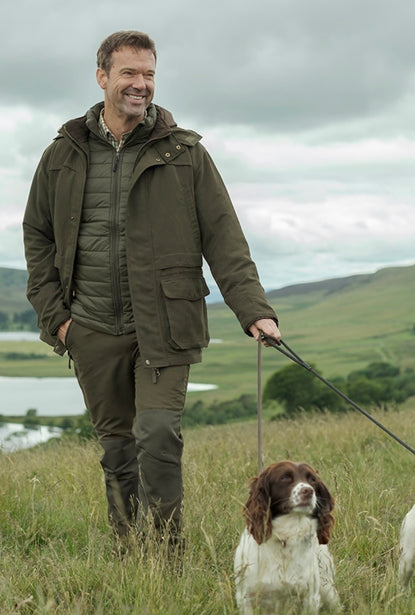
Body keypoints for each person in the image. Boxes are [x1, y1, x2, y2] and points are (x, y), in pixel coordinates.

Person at [22, 30, 281, 553]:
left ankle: (165, 556)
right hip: (90, 327)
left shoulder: (184, 154)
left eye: (149, 74)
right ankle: (129, 551)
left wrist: (253, 310)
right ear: (102, 78)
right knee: (118, 450)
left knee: (158, 435)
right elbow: (37, 238)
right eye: (129, 74)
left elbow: (224, 236)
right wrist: (59, 321)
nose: (141, 85)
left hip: (165, 323)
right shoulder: (62, 156)